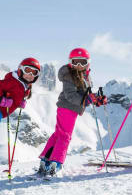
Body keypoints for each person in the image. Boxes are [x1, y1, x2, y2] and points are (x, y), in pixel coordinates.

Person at [38, 48, 107, 176]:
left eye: (82, 62)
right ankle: (56, 163)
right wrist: (87, 100)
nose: (79, 66)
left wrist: (96, 100)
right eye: (76, 62)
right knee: (65, 136)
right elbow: (71, 96)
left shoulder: (85, 75)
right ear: (70, 63)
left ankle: (46, 160)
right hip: (67, 107)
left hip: (69, 108)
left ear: (88, 63)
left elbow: (85, 94)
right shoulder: (69, 75)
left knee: (59, 134)